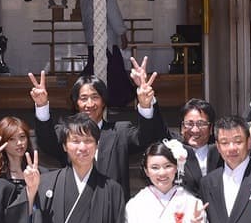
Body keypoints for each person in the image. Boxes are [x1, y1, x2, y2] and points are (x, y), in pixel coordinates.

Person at [30, 59, 165, 196]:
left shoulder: (120, 132)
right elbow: (47, 143)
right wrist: (42, 106)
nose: (89, 104)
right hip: (75, 207)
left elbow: (146, 138)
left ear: (103, 101)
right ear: (76, 103)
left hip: (112, 210)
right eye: (83, 98)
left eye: (95, 97)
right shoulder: (66, 132)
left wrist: (146, 104)